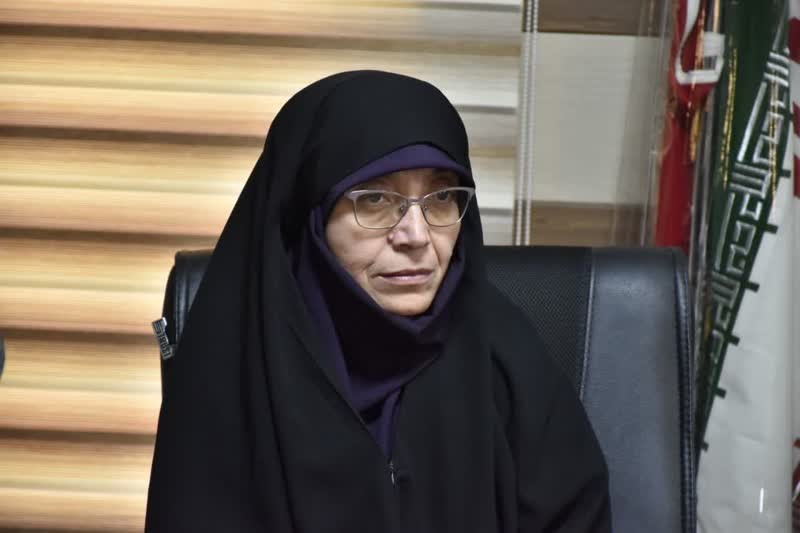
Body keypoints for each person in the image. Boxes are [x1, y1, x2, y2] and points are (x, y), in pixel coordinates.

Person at [145, 70, 611, 532]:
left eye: (442, 197)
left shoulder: (509, 361)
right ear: (309, 217)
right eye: (374, 200)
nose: (416, 235)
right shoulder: (234, 369)